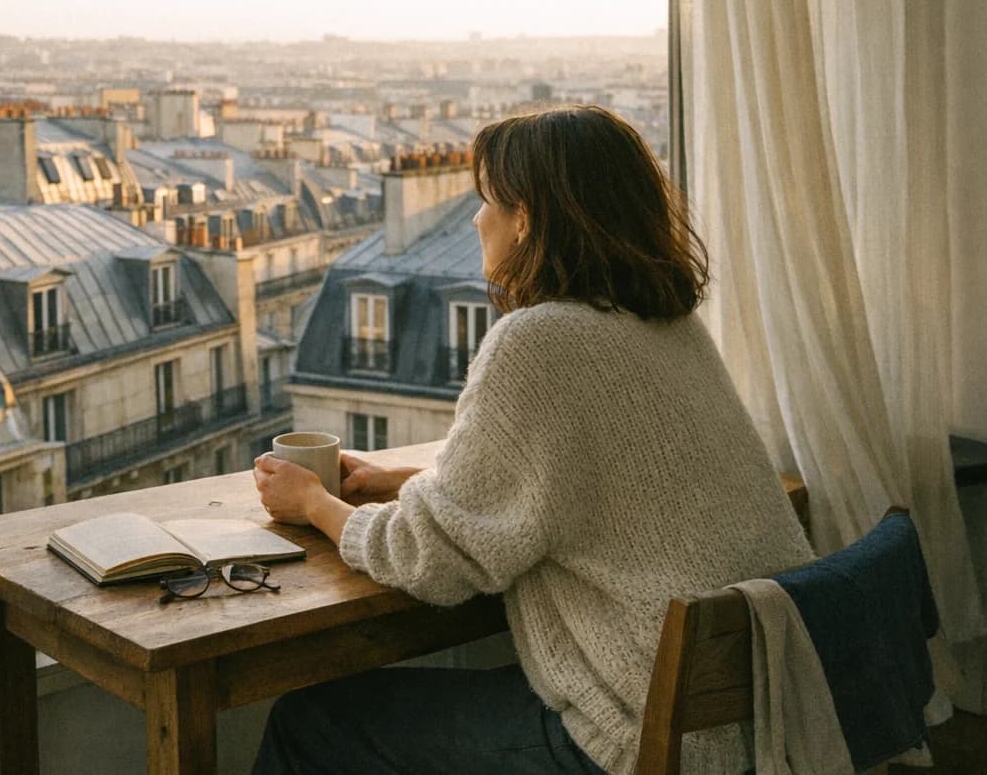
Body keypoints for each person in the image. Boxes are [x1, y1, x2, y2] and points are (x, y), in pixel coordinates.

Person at [251, 105, 814, 775]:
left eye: (487, 199)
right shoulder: (669, 326)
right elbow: (585, 483)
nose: (474, 219)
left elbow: (427, 560)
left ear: (528, 219)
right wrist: (403, 484)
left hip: (649, 741)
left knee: (310, 720)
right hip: (766, 721)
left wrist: (313, 503)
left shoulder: (537, 343)